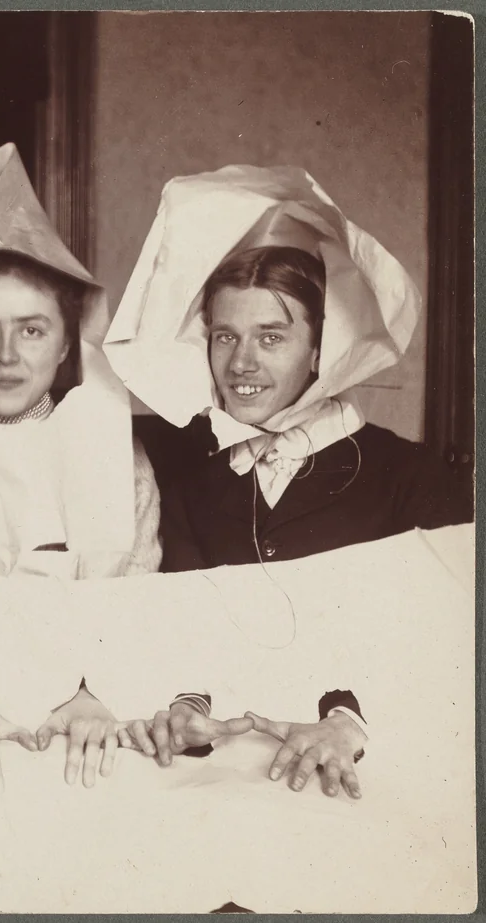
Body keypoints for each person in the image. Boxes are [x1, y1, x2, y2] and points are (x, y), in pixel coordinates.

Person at [104, 164, 469, 795]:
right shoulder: (182, 464)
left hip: (361, 770)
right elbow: (177, 614)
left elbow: (451, 645)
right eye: (225, 337)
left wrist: (353, 721)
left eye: (271, 337)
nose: (241, 364)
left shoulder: (411, 477)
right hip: (218, 770)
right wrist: (186, 704)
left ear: (322, 348)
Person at [0, 143, 163, 799]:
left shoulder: (114, 456)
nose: (8, 355)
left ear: (67, 343)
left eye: (33, 330)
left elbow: (136, 598)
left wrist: (96, 692)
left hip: (90, 717)